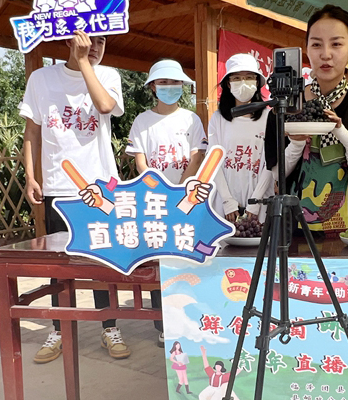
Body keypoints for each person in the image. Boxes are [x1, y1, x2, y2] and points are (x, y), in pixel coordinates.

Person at [20, 30, 130, 363]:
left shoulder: (107, 75)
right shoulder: (41, 79)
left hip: (100, 188)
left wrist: (84, 62)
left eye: (101, 41)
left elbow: (106, 106)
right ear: (70, 39)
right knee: (60, 264)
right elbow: (32, 131)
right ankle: (60, 329)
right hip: (59, 188)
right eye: (88, 39)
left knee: (101, 263)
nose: (95, 46)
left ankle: (109, 326)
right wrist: (30, 176)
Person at [264, 5, 348, 233]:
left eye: (336, 44)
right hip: (294, 234)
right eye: (316, 44)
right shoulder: (284, 107)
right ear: (306, 49)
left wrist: (343, 134)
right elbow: (277, 175)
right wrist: (296, 143)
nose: (325, 54)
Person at [125, 59, 208, 347]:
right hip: (154, 202)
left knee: (186, 259)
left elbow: (197, 155)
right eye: (163, 82)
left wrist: (180, 187)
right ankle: (163, 325)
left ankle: (191, 318)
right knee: (158, 261)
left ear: (182, 86)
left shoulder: (191, 119)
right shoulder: (142, 121)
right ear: (152, 87)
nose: (169, 87)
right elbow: (140, 161)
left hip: (186, 199)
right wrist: (159, 189)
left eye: (175, 82)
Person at [208, 53, 273, 223]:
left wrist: (256, 200)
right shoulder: (218, 119)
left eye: (249, 77)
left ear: (257, 82)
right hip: (225, 205)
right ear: (228, 84)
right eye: (236, 78)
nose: (243, 82)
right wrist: (227, 200)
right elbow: (213, 160)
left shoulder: (268, 117)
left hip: (260, 204)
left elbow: (270, 161)